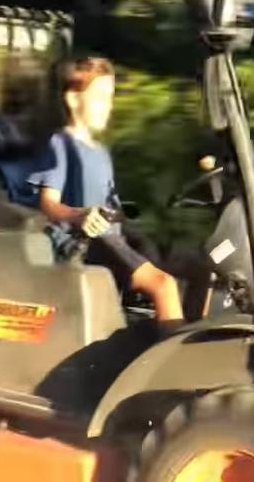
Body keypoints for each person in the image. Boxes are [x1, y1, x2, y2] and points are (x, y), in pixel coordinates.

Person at [28, 56, 183, 324]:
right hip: (83, 243)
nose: (107, 107)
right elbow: (48, 203)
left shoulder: (100, 152)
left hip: (110, 237)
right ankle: (176, 363)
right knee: (163, 285)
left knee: (196, 266)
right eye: (99, 97)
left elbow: (113, 206)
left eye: (109, 98)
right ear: (73, 100)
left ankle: (187, 343)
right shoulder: (61, 144)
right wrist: (80, 215)